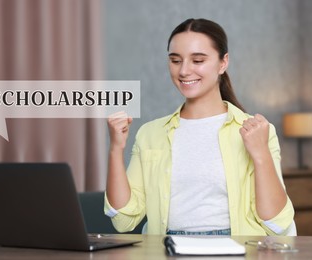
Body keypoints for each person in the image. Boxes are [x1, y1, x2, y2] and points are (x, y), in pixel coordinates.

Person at [104, 18, 295, 236]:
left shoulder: (257, 131)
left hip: (235, 249)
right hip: (166, 249)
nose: (184, 71)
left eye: (198, 60)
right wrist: (115, 149)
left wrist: (260, 155)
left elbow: (277, 223)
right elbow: (123, 220)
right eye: (176, 61)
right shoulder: (150, 133)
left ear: (223, 63)